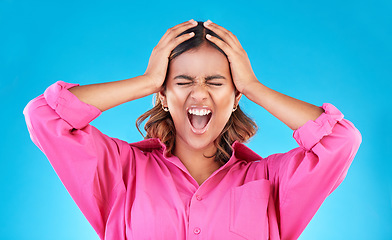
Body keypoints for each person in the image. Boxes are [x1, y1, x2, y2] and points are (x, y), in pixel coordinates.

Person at [23, 19, 362, 240]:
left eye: (216, 82)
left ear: (235, 99)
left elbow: (341, 140)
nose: (199, 93)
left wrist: (253, 86)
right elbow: (44, 115)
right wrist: (145, 81)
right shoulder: (122, 171)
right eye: (182, 81)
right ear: (164, 96)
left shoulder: (271, 180)